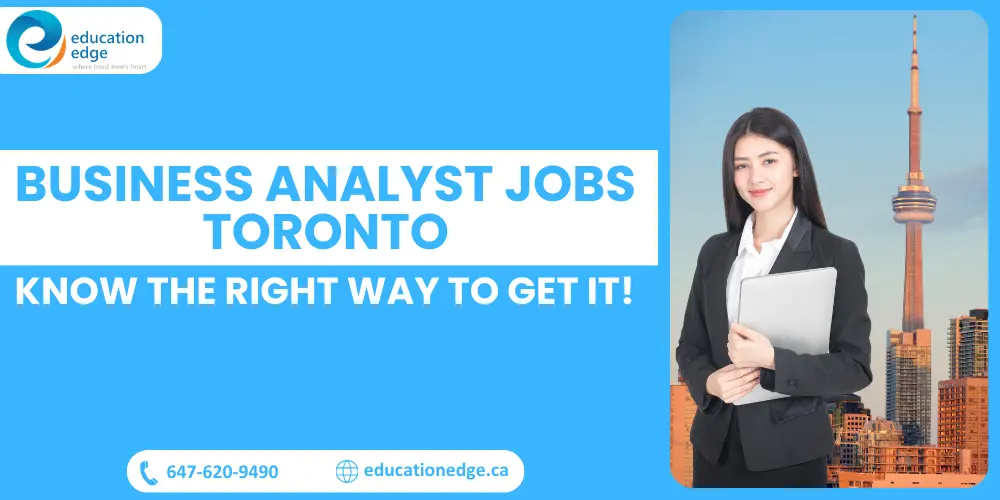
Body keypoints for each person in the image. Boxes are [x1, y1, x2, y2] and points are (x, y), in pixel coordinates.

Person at [675, 107, 873, 488]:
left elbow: (854, 367)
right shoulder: (715, 252)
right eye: (742, 165)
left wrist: (772, 360)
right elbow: (690, 346)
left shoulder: (835, 254)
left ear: (796, 165)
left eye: (769, 160)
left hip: (791, 454)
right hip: (714, 448)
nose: (755, 177)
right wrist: (710, 385)